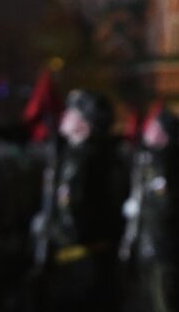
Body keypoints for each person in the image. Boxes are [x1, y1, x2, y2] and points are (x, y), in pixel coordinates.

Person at [32, 89, 123, 310]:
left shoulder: (79, 161)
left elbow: (73, 221)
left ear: (85, 124)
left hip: (77, 264)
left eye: (72, 112)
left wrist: (47, 227)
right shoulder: (98, 154)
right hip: (94, 263)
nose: (65, 115)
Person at [120, 107, 179, 312]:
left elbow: (165, 207)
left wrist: (141, 205)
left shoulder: (166, 163)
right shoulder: (148, 159)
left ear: (164, 135)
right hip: (147, 244)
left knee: (163, 300)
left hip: (161, 246)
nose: (148, 130)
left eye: (154, 127)